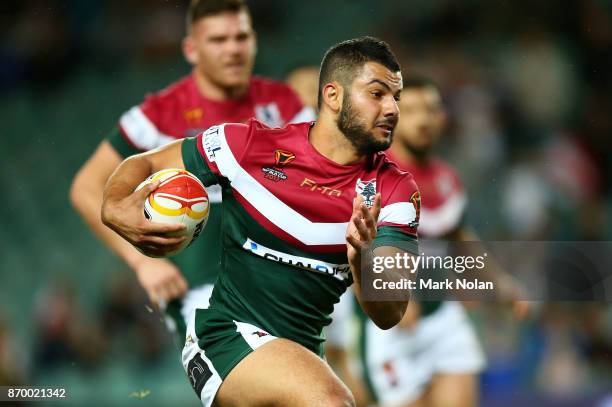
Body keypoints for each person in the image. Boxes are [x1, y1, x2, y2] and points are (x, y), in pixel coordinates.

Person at [101, 36, 420, 407]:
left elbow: (390, 313)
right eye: (378, 93)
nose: (393, 108)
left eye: (397, 97)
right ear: (333, 96)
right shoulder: (248, 146)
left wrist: (364, 262)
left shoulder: (396, 190)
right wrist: (113, 205)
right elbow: (148, 163)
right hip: (224, 336)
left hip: (303, 356)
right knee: (333, 402)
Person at [70, 0, 311, 341]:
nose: (233, 49)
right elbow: (85, 187)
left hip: (284, 281)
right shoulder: (157, 115)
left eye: (241, 37)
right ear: (191, 49)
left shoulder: (286, 105)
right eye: (218, 40)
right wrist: (141, 262)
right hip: (201, 293)